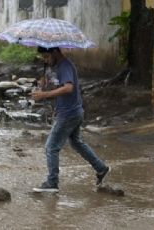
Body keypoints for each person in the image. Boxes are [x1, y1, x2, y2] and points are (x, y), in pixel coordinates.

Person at [30, 47, 110, 192]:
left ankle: (52, 182)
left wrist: (45, 95)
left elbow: (68, 88)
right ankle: (101, 168)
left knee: (51, 147)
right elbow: (52, 82)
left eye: (47, 57)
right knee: (76, 143)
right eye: (44, 57)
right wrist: (42, 85)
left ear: (55, 53)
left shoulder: (65, 65)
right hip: (72, 112)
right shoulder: (53, 66)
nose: (45, 60)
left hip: (68, 113)